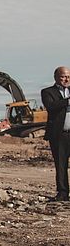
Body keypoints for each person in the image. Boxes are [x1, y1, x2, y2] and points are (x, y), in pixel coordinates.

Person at [41, 66, 70, 201]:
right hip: (59, 135)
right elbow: (51, 106)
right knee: (61, 164)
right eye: (63, 76)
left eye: (68, 77)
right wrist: (68, 101)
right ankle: (63, 193)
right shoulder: (47, 92)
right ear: (56, 77)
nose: (66, 79)